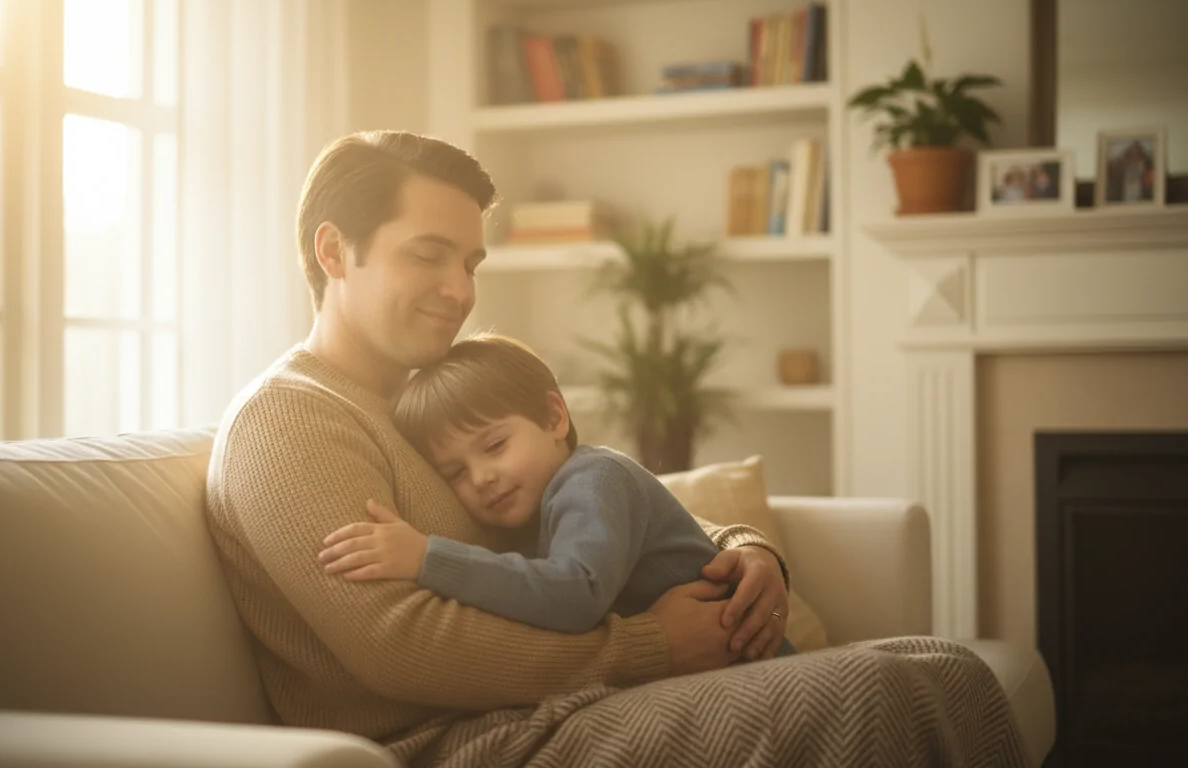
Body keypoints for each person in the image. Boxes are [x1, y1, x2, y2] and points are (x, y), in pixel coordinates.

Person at [207, 130, 1028, 766]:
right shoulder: (289, 424)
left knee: (938, 664)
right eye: (429, 255)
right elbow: (403, 648)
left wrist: (745, 553)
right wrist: (652, 647)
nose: (461, 290)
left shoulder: (431, 401)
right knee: (885, 690)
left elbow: (593, 509)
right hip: (473, 744)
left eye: (470, 261)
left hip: (559, 709)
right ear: (331, 251)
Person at [317, 333, 796, 655]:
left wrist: (427, 558)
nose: (482, 477)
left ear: (554, 418)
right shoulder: (533, 509)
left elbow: (575, 594)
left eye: (495, 445)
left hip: (754, 662)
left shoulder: (593, 479)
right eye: (456, 472)